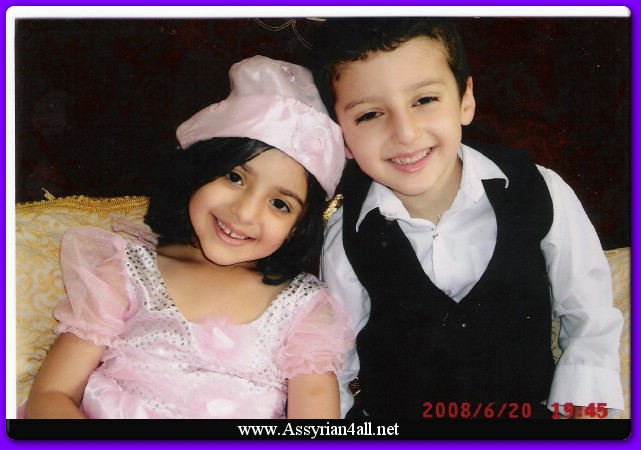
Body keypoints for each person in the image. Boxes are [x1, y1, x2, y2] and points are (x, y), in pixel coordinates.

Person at [309, 17, 624, 419]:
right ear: (341, 136)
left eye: (424, 100)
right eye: (370, 115)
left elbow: (589, 313)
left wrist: (581, 410)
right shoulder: (345, 233)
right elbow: (332, 364)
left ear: (465, 100)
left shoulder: (539, 188)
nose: (405, 133)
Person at [21, 55, 353, 419]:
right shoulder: (127, 272)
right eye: (235, 177)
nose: (244, 212)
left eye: (279, 204)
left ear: (299, 226)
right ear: (200, 170)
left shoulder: (304, 309)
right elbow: (50, 396)